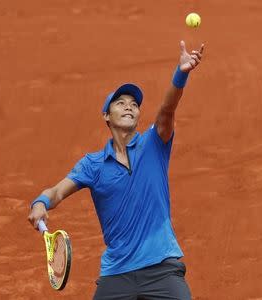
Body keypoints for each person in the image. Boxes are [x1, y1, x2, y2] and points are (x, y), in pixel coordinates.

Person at [27, 40, 204, 299]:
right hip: (117, 273)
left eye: (134, 103)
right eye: (120, 103)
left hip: (162, 268)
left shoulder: (154, 143)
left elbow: (167, 110)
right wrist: (40, 202)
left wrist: (181, 73)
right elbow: (56, 192)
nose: (129, 106)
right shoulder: (93, 165)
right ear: (106, 117)